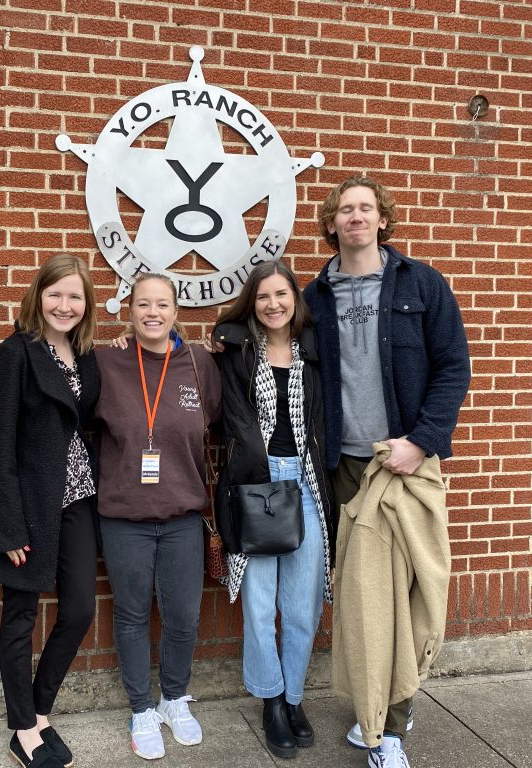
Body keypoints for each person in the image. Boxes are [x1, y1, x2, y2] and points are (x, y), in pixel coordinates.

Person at [303, 176, 471, 768]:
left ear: (382, 220)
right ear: (331, 224)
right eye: (344, 209)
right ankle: (383, 727)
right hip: (345, 467)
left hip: (403, 464)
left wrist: (421, 443)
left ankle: (389, 718)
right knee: (366, 600)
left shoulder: (421, 284)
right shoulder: (315, 296)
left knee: (411, 597)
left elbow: (454, 367)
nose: (355, 217)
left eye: (365, 209)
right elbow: (263, 329)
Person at [0, 254, 100, 768]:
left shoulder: (86, 355)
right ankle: (23, 728)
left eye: (75, 296)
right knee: (21, 616)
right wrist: (7, 525)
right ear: (38, 296)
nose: (65, 305)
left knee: (80, 608)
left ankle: (41, 709)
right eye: (56, 294)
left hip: (79, 499)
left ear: (86, 306)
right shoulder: (14, 354)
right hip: (28, 507)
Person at [93, 273, 221, 761]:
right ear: (129, 311)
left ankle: (173, 698)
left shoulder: (198, 363)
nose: (152, 312)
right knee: (130, 616)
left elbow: (213, 417)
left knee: (184, 616)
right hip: (124, 516)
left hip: (183, 515)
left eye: (162, 304)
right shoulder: (107, 362)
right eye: (143, 303)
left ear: (175, 311)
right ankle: (141, 707)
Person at [211, 260, 334, 759]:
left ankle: (294, 696)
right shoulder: (236, 354)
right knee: (260, 606)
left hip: (305, 485)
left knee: (302, 608)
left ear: (295, 299)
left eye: (282, 293)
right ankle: (269, 700)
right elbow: (233, 422)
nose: (273, 304)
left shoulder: (315, 354)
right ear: (252, 303)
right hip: (257, 486)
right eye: (263, 296)